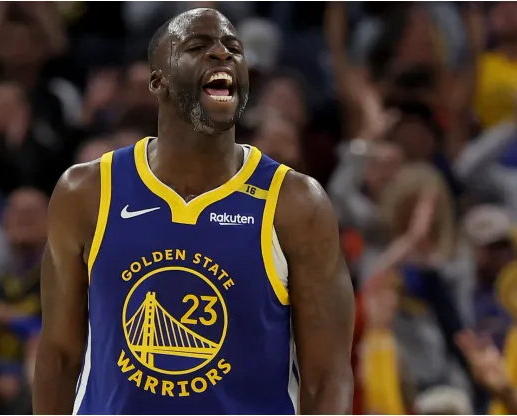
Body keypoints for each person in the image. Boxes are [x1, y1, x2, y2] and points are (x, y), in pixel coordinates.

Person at [34, 8, 355, 415]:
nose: (223, 54)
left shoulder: (295, 203)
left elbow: (328, 376)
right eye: (198, 46)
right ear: (158, 81)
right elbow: (59, 356)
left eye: (234, 50)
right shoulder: (86, 192)